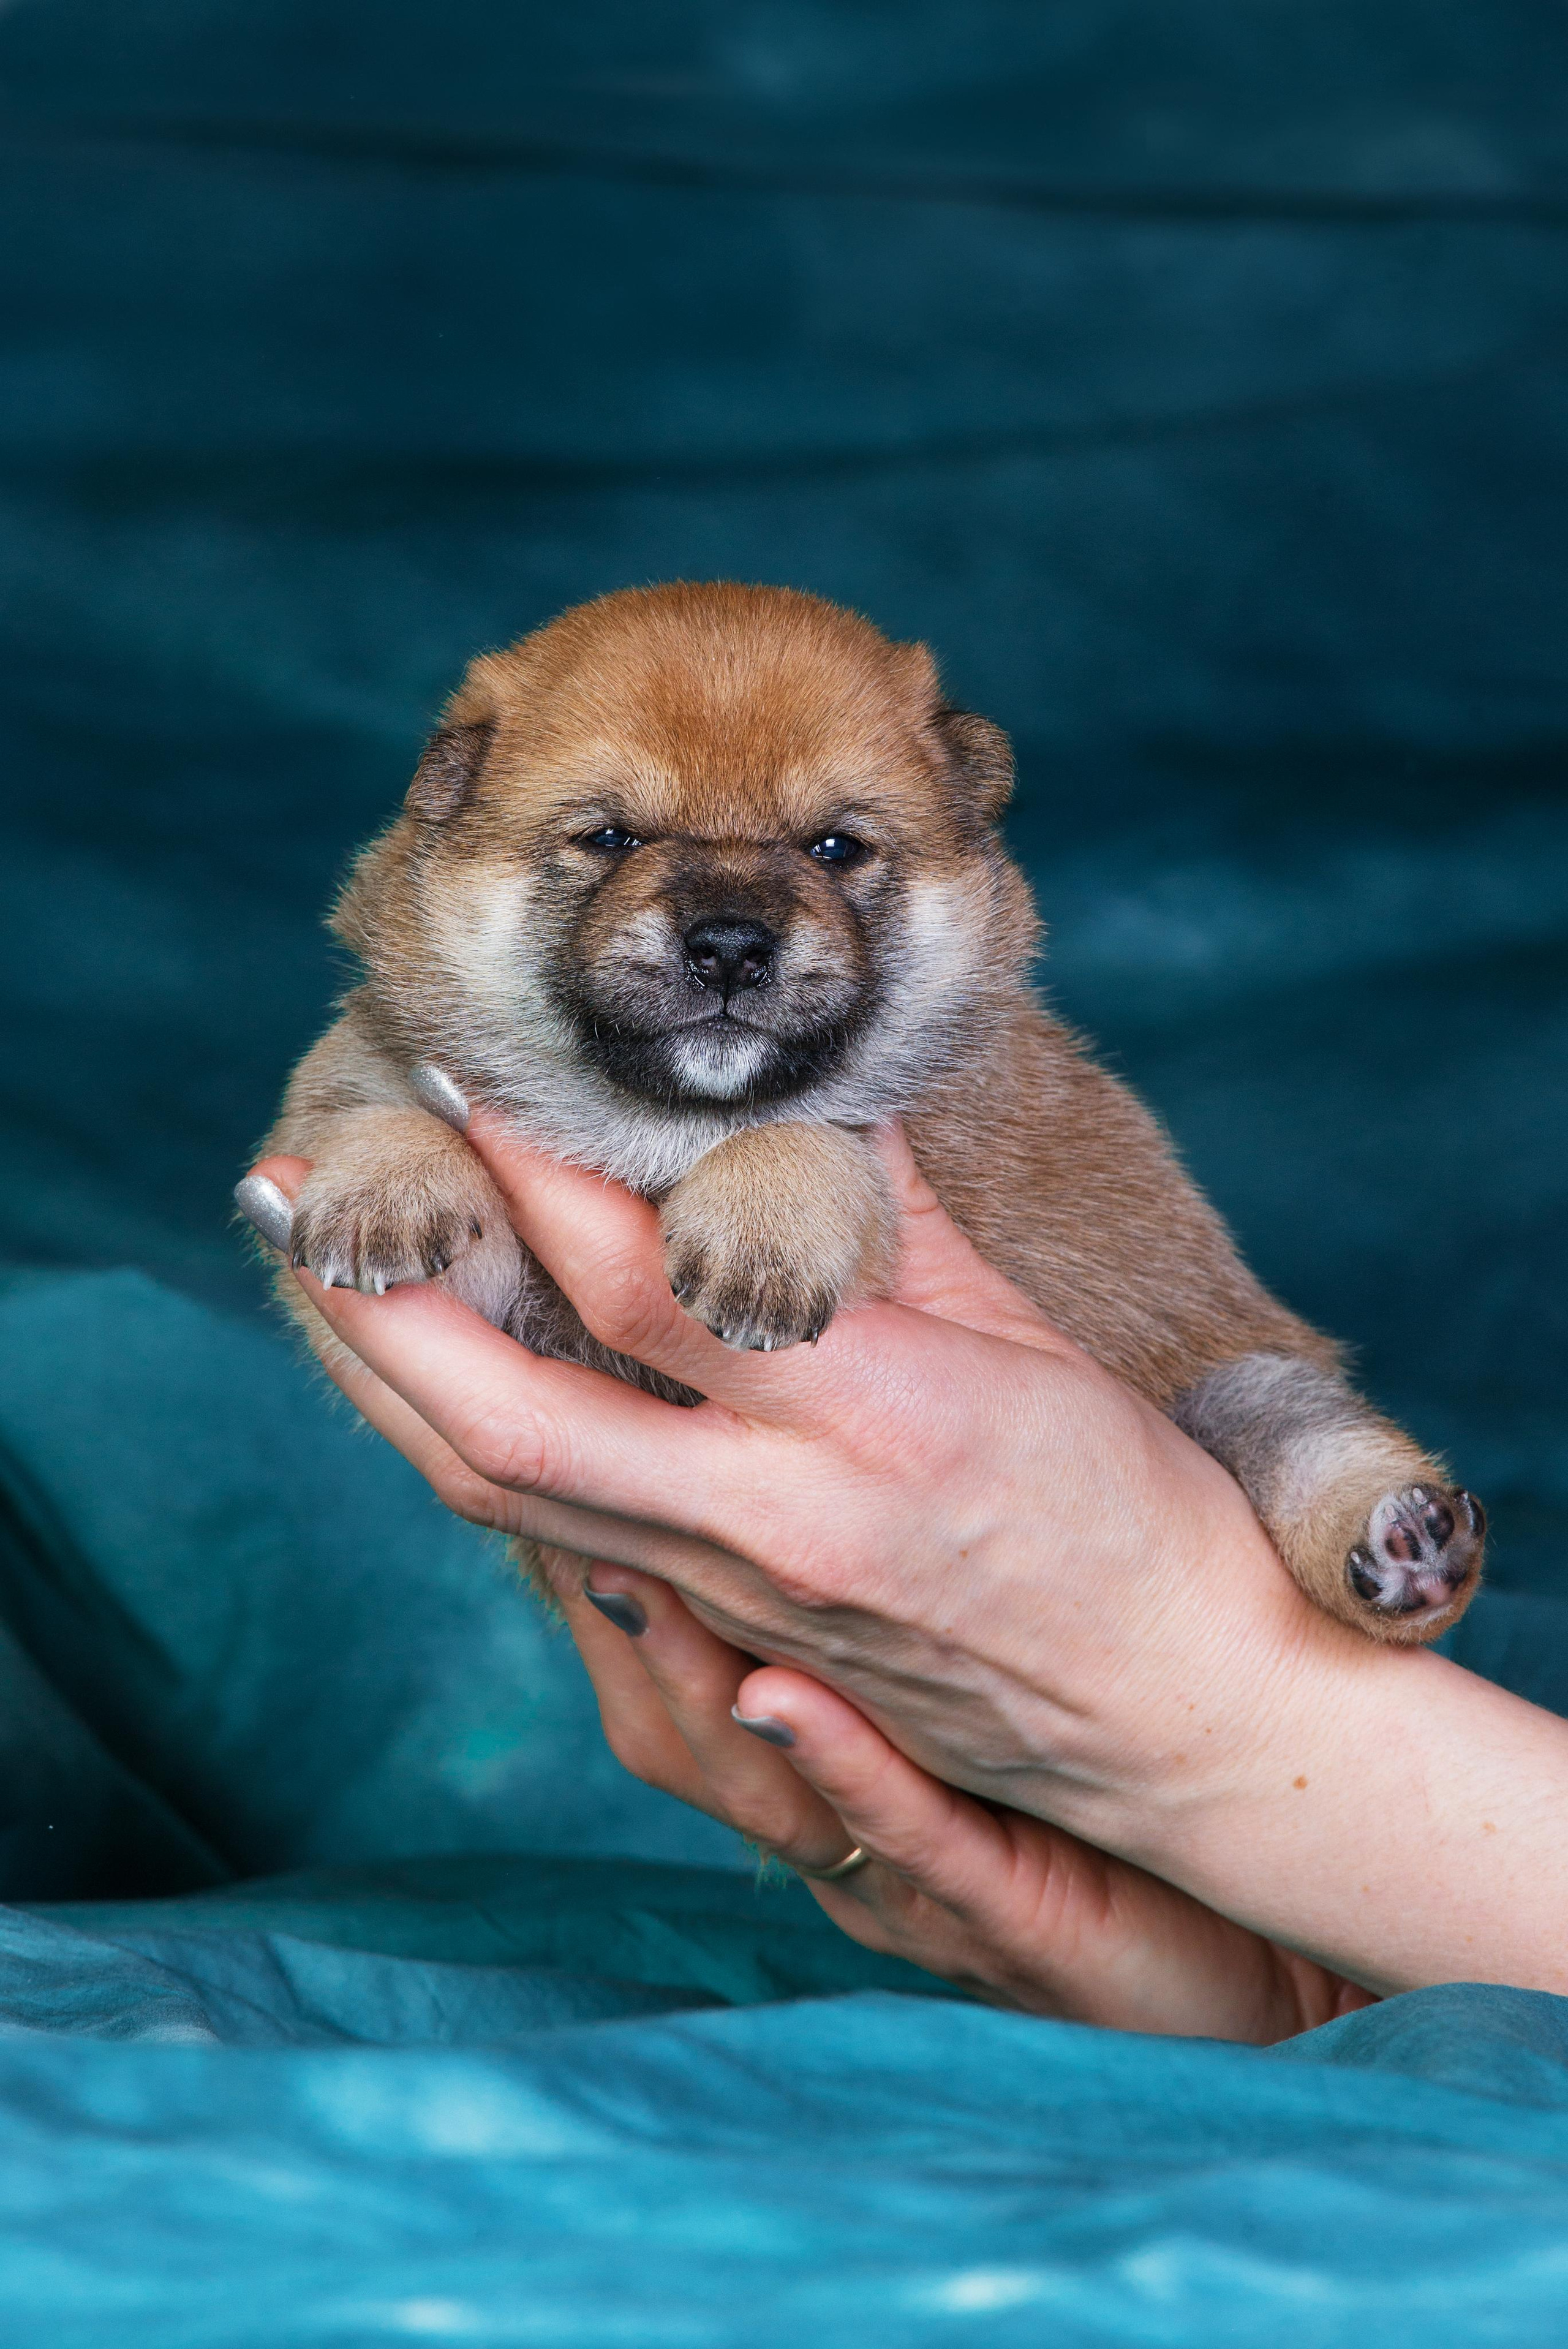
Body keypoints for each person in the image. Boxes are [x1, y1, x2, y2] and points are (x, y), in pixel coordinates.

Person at [244, 1108, 1568, 2043]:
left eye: (830, 853)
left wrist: (1213, 1717)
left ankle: (1349, 1503)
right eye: (602, 842)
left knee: (1261, 1407)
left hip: (1186, 1439)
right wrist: (1313, 1976)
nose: (731, 920)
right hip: (1176, 1927)